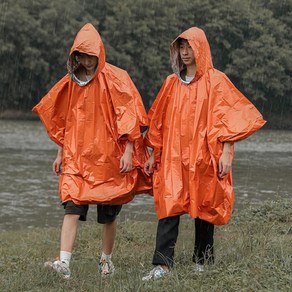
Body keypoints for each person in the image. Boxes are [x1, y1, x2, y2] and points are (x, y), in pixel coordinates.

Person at [142, 27, 266, 281]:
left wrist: (226, 152)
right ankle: (162, 265)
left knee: (205, 205)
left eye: (189, 47)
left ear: (200, 49)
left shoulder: (216, 81)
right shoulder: (171, 83)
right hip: (174, 158)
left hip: (204, 155)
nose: (185, 53)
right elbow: (159, 121)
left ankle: (203, 261)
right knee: (169, 205)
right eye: (181, 48)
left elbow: (231, 117)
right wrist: (154, 152)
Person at [32, 23, 151, 279]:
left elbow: (129, 116)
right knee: (71, 206)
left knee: (109, 213)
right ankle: (63, 263)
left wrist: (129, 150)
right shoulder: (70, 84)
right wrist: (60, 152)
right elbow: (64, 120)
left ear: (99, 53)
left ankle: (106, 261)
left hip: (110, 158)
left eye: (90, 55)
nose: (86, 61)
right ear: (74, 56)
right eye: (81, 56)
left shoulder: (117, 78)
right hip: (77, 157)